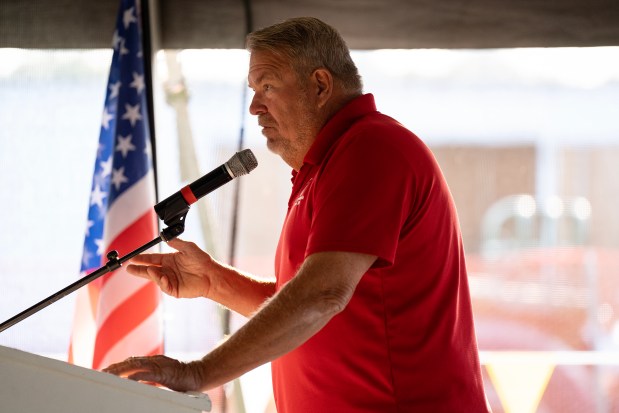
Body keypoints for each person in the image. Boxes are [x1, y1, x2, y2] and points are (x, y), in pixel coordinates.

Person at [104, 17, 491, 413]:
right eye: (253, 91)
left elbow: (321, 296)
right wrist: (214, 281)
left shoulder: (371, 148)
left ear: (320, 85)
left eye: (267, 86)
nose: (254, 107)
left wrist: (200, 373)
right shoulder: (326, 165)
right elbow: (302, 303)